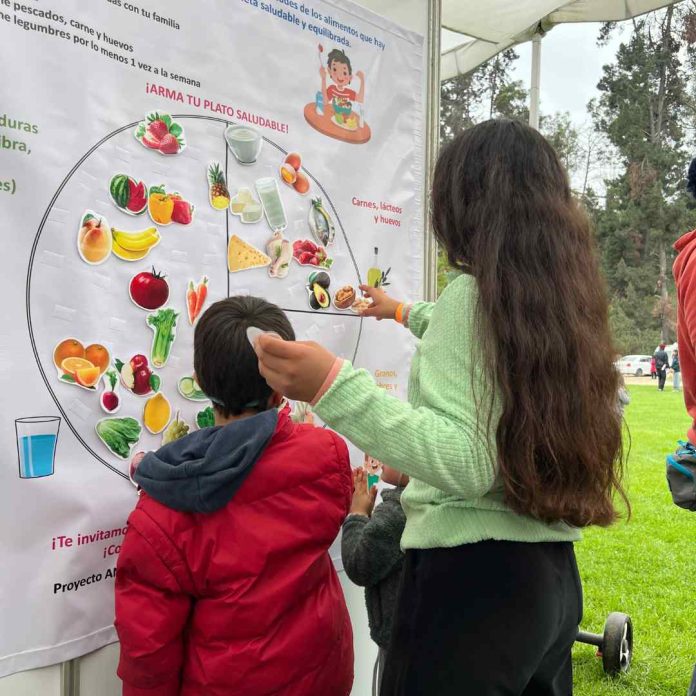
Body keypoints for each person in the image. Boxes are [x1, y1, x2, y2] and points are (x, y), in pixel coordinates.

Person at [254, 119, 627, 695]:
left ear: (462, 205)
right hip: (550, 583)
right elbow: (487, 344)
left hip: (470, 589)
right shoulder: (565, 309)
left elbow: (466, 458)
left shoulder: (470, 298)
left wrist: (332, 384)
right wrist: (403, 313)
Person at [115, 296, 354, 696]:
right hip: (322, 676)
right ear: (283, 386)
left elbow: (148, 655)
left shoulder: (162, 508)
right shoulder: (327, 454)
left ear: (201, 381)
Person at [341, 459, 409, 696]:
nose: (380, 456)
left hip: (398, 643)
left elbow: (359, 564)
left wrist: (357, 514)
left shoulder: (398, 511)